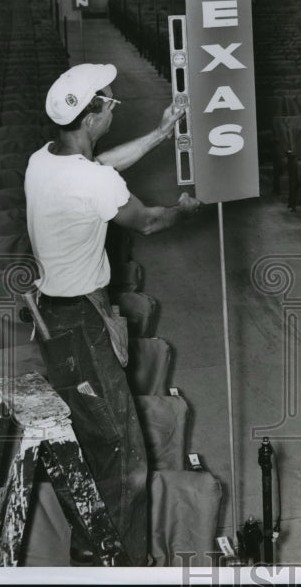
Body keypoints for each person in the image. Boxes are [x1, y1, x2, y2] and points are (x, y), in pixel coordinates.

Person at [24, 63, 202, 566]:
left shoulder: (45, 160)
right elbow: (145, 222)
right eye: (109, 101)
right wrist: (185, 210)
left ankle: (89, 542)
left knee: (95, 438)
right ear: (92, 115)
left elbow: (101, 167)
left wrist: (162, 132)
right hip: (80, 324)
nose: (114, 107)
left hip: (58, 317)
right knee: (125, 456)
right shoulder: (88, 182)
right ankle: (120, 563)